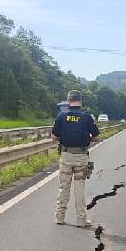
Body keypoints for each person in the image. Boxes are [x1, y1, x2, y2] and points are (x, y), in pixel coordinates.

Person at [52, 90, 100, 227]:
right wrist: (86, 137)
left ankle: (59, 217)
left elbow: (54, 137)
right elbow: (96, 137)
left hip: (66, 156)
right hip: (81, 157)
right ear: (81, 101)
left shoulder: (61, 116)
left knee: (63, 187)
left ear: (68, 101)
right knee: (79, 188)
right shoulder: (87, 117)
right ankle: (81, 220)